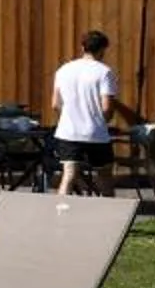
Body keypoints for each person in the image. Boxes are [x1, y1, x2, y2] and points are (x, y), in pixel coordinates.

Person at [50, 30, 141, 196]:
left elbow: (55, 104)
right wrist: (103, 121)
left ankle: (60, 209)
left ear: (82, 47)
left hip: (68, 132)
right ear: (102, 49)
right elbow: (106, 107)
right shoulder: (104, 72)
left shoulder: (63, 70)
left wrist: (71, 116)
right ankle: (108, 209)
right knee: (104, 175)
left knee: (69, 175)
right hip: (95, 133)